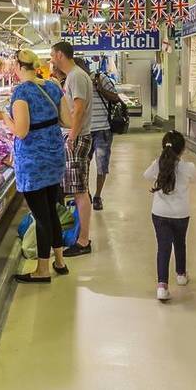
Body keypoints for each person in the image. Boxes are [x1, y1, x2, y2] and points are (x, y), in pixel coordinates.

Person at [0, 49, 71, 283]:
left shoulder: (21, 92)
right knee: (51, 210)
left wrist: (3, 118)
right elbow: (67, 120)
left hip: (33, 161)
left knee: (41, 216)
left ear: (17, 66)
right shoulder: (53, 85)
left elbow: (21, 130)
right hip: (54, 156)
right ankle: (60, 261)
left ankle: (42, 270)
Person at [50, 41, 93, 257]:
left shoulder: (76, 76)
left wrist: (72, 136)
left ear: (59, 55)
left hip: (77, 137)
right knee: (78, 190)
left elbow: (78, 110)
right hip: (75, 136)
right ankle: (82, 237)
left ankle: (84, 241)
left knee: (79, 191)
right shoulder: (73, 76)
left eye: (52, 55)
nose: (51, 59)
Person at [145, 130, 195, 302]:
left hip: (159, 213)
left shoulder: (157, 164)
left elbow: (146, 175)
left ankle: (162, 286)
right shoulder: (188, 167)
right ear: (182, 150)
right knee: (180, 243)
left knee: (163, 247)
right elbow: (195, 178)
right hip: (181, 214)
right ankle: (181, 275)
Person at [87, 63, 120, 211]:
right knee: (83, 166)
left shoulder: (101, 78)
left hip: (103, 129)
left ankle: (97, 196)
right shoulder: (73, 80)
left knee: (101, 166)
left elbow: (115, 98)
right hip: (84, 131)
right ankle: (84, 193)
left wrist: (100, 88)